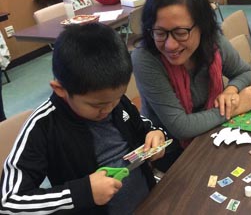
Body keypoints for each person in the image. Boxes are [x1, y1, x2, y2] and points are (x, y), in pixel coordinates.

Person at [0, 23, 168, 214]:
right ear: (61, 90)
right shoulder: (43, 126)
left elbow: (141, 125)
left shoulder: (113, 100)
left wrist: (155, 133)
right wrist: (82, 193)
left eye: (116, 98)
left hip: (147, 202)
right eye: (97, 105)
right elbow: (10, 202)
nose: (109, 108)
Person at [131, 0, 251, 172]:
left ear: (201, 26)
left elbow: (243, 72)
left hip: (215, 133)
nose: (170, 44)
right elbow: (181, 127)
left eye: (180, 32)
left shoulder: (213, 40)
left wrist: (231, 89)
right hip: (173, 151)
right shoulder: (145, 58)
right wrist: (237, 106)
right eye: (160, 32)